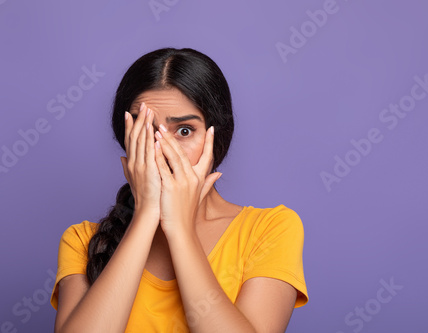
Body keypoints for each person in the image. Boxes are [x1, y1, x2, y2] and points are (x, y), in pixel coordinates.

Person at [50, 47, 309, 332]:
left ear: (216, 138)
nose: (162, 150)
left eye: (184, 131)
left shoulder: (270, 230)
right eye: (145, 130)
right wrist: (146, 215)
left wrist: (180, 229)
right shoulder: (82, 241)